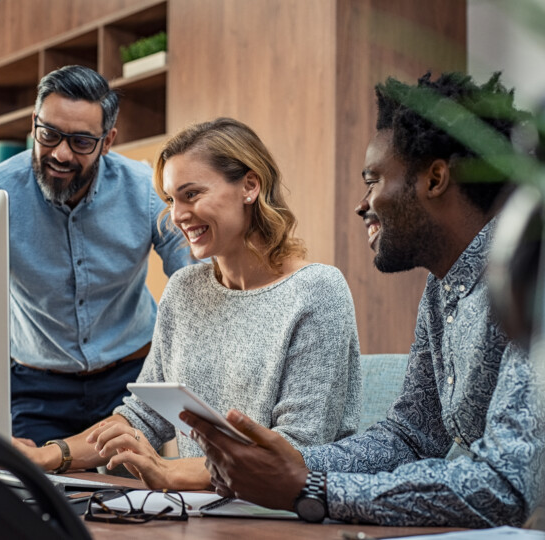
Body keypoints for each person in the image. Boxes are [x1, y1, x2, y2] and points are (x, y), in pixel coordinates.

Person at [182, 72, 545, 527]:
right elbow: (410, 437)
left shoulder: (531, 274)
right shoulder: (442, 288)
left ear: (435, 179)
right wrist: (285, 464)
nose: (362, 203)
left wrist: (310, 489)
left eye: (373, 180)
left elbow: (504, 484)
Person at [13, 117, 361, 490]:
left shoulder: (318, 291)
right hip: (201, 508)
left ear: (249, 185)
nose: (177, 216)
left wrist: (169, 472)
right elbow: (142, 417)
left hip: (287, 511)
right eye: (170, 200)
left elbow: (297, 451)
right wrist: (49, 455)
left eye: (191, 194)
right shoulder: (183, 290)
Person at [0, 65, 192, 445]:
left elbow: (194, 278)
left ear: (107, 141)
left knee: (130, 500)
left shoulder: (144, 190)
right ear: (33, 122)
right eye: (49, 134)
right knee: (36, 496)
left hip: (131, 382)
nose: (60, 153)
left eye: (81, 142)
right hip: (36, 389)